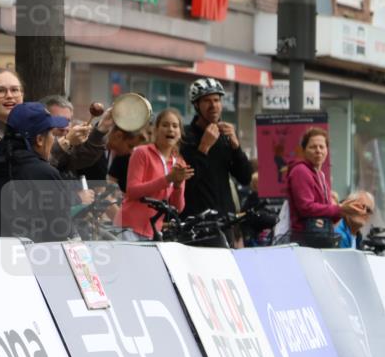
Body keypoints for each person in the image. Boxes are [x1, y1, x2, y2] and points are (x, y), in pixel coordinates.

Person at [0, 102, 92, 241]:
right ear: (40, 139)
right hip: (30, 253)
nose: (53, 139)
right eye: (52, 134)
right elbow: (60, 230)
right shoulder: (43, 174)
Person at [179, 78, 253, 217]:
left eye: (217, 100)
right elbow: (186, 182)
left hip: (225, 218)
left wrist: (236, 147)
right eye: (207, 101)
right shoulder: (184, 136)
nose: (213, 105)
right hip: (196, 220)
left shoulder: (225, 135)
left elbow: (245, 178)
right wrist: (203, 148)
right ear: (196, 105)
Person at [117, 109, 194, 240]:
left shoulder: (179, 163)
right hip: (128, 227)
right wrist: (168, 179)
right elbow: (132, 191)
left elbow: (178, 208)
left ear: (180, 133)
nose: (170, 129)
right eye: (165, 125)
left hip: (153, 231)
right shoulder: (142, 152)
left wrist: (178, 185)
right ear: (156, 130)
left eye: (175, 126)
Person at [286, 128, 365, 248]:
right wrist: (340, 209)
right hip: (305, 241)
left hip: (319, 239)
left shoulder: (321, 175)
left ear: (327, 150)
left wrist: (346, 209)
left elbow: (328, 214)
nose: (318, 150)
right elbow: (305, 208)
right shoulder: (300, 171)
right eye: (313, 147)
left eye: (321, 147)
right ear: (304, 150)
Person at [38, 95, 111, 176]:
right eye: (58, 120)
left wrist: (101, 128)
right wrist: (67, 141)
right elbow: (42, 168)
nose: (64, 127)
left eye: (68, 121)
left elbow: (81, 158)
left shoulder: (71, 147)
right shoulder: (32, 147)